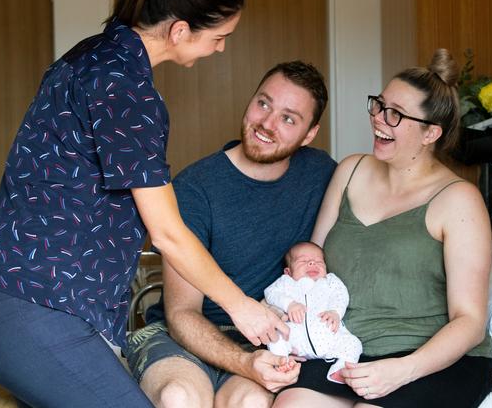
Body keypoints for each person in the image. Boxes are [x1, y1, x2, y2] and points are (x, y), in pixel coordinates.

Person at [0, 0, 287, 408]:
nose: (221, 48)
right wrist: (243, 308)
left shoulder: (93, 57)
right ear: (179, 30)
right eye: (219, 37)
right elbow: (167, 232)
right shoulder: (125, 89)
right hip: (31, 308)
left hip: (17, 303)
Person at [273, 49, 492, 408]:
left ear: (430, 133)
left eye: (395, 114)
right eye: (378, 105)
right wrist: (296, 330)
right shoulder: (350, 172)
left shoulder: (459, 200)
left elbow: (469, 321)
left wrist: (402, 370)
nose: (378, 119)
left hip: (431, 360)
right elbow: (310, 271)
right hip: (349, 349)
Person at [124, 61, 337, 408]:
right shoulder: (195, 188)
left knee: (250, 404)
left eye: (288, 118)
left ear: (309, 134)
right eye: (263, 103)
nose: (267, 124)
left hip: (265, 343)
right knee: (180, 398)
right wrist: (243, 362)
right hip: (185, 337)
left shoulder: (320, 173)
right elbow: (182, 315)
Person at [264, 241, 362, 384]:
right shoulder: (285, 282)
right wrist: (289, 304)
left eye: (318, 261)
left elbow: (341, 296)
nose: (311, 263)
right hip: (295, 339)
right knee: (276, 337)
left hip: (330, 335)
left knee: (354, 344)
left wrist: (335, 312)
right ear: (288, 272)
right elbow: (270, 293)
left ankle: (340, 369)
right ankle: (282, 362)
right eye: (303, 261)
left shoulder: (330, 281)